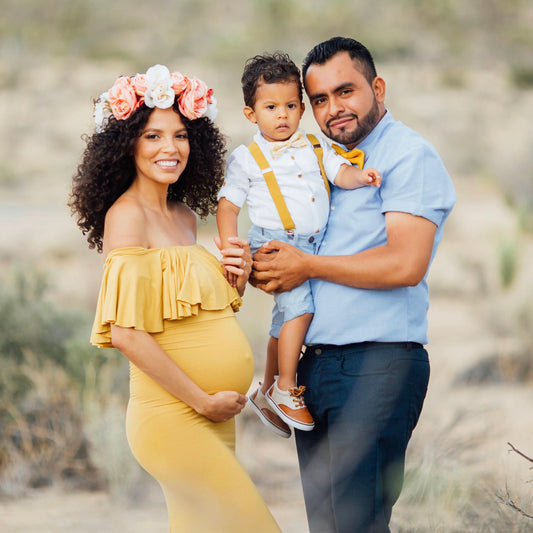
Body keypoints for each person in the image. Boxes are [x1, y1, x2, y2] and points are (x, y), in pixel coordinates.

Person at [252, 37, 457, 533]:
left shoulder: (408, 155)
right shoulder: (317, 161)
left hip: (377, 364)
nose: (332, 109)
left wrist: (306, 266)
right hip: (313, 371)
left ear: (377, 87)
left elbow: (405, 264)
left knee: (356, 525)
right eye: (319, 99)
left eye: (345, 91)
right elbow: (297, 270)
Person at [69, 65, 281, 533]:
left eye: (181, 135)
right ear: (126, 144)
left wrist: (236, 277)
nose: (170, 148)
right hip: (175, 417)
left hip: (215, 416)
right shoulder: (125, 218)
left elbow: (197, 315)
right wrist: (202, 401)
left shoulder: (183, 217)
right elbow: (126, 332)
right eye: (153, 136)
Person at [216, 52, 381, 436]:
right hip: (274, 243)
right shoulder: (247, 159)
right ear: (250, 114)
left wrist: (361, 176)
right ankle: (288, 387)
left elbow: (338, 172)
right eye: (271, 107)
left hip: (311, 244)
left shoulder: (313, 145)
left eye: (291, 105)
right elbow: (227, 206)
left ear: (302, 108)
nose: (282, 115)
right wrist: (232, 252)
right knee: (300, 312)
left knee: (284, 318)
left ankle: (267, 386)